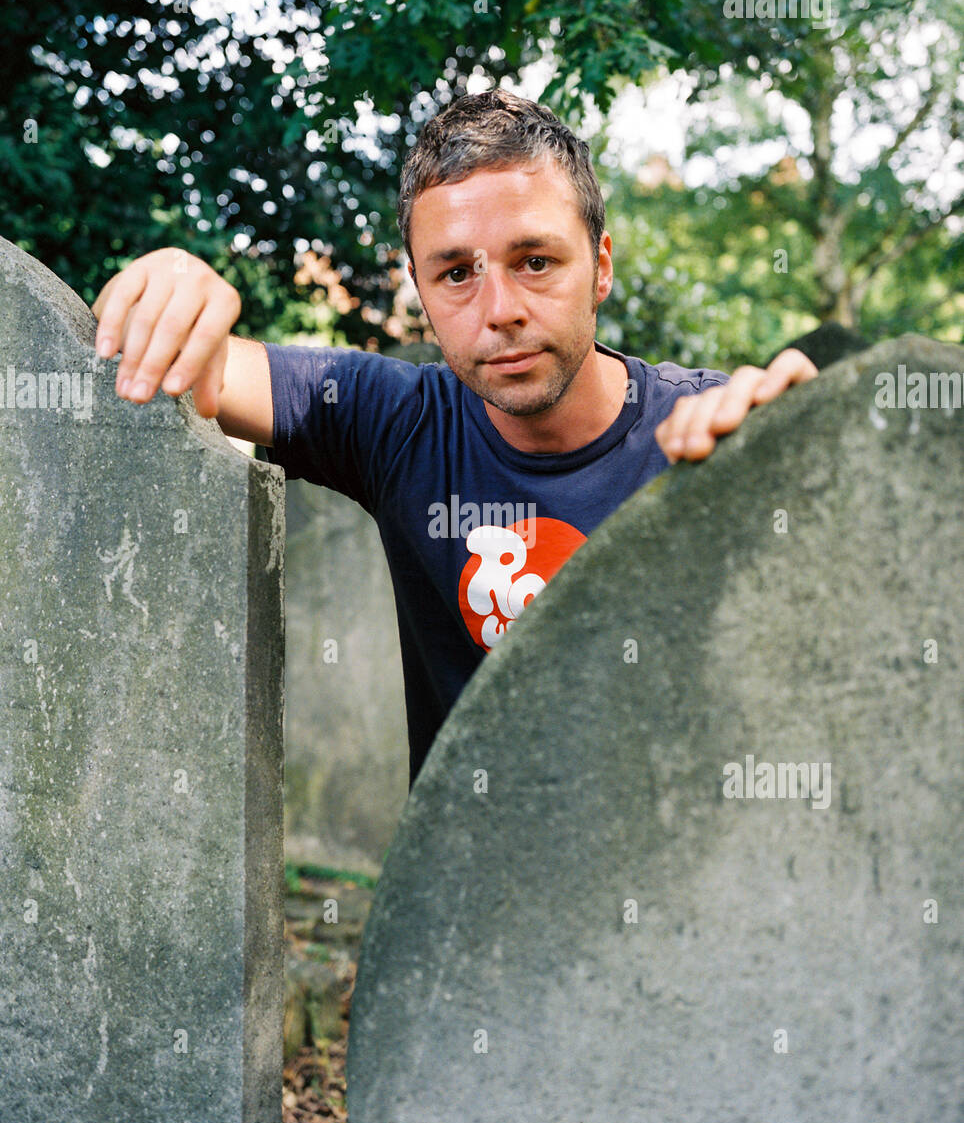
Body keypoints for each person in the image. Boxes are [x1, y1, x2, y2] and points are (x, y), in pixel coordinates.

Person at [92, 89, 817, 783]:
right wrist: (177, 290)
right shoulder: (393, 421)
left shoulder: (718, 433)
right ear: (419, 287)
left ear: (599, 267)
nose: (499, 310)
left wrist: (811, 449)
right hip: (463, 894)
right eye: (457, 273)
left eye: (535, 261)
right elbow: (202, 369)